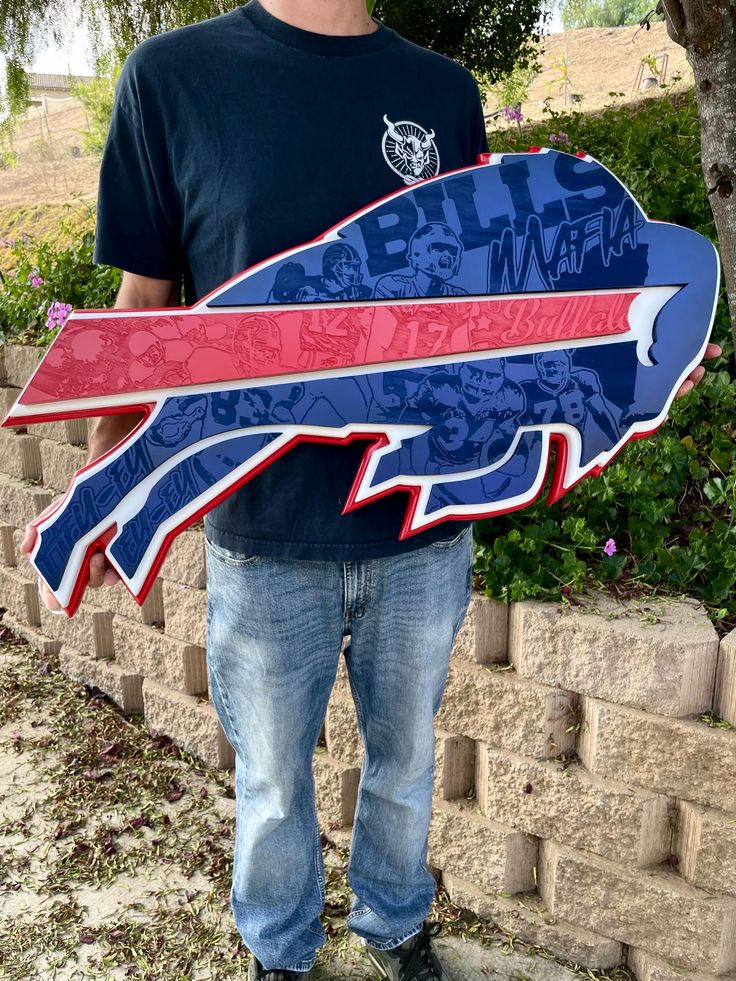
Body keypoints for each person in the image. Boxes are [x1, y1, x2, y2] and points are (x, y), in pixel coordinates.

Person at [21, 3, 720, 979]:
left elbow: (497, 311)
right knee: (270, 783)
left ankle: (396, 925)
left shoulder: (441, 94)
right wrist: (94, 494)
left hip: (421, 541)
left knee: (405, 765)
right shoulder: (171, 77)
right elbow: (147, 318)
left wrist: (616, 367)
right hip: (265, 541)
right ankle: (280, 949)